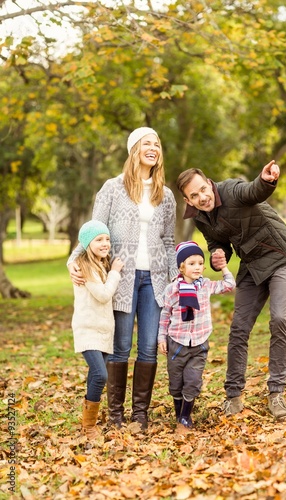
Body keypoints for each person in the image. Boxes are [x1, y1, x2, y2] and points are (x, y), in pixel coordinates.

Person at [68, 127, 178, 431]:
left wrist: (174, 280)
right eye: (147, 143)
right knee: (120, 347)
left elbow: (169, 242)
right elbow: (94, 227)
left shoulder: (165, 195)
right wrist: (73, 260)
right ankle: (115, 414)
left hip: (154, 280)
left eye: (157, 144)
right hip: (121, 277)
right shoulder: (112, 188)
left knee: (148, 348)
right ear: (134, 150)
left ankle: (139, 414)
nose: (153, 148)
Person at [176, 161, 286, 420]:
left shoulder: (232, 190)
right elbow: (217, 243)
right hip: (252, 265)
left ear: (209, 182)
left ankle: (276, 393)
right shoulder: (200, 217)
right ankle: (233, 396)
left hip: (282, 257)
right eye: (194, 196)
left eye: (203, 190)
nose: (202, 198)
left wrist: (266, 180)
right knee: (239, 329)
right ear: (187, 199)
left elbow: (254, 191)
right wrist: (217, 255)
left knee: (279, 319)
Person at [158, 241, 236, 431]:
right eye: (192, 263)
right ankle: (178, 414)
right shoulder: (172, 289)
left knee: (193, 381)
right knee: (176, 383)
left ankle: (185, 417)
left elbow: (229, 284)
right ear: (181, 267)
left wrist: (223, 267)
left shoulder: (206, 285)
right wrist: (161, 338)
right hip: (177, 342)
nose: (197, 267)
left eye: (200, 263)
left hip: (199, 342)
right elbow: (165, 314)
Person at [72, 220, 124, 441]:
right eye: (99, 240)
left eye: (107, 239)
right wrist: (115, 272)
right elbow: (103, 294)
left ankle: (87, 422)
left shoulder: (101, 264)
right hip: (87, 329)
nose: (105, 243)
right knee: (101, 374)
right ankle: (89, 427)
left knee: (95, 374)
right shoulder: (85, 268)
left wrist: (110, 269)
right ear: (87, 244)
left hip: (103, 330)